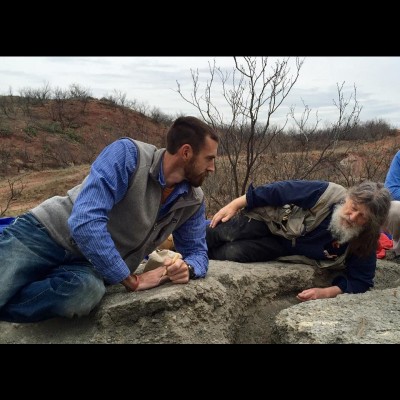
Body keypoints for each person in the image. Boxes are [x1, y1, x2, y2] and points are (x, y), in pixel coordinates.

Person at [0, 116, 218, 322]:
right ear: (186, 152)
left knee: (84, 294)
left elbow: (198, 252)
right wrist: (128, 279)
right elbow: (85, 222)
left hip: (88, 265)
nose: (212, 168)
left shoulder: (193, 200)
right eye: (209, 159)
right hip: (44, 234)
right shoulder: (129, 155)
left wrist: (187, 268)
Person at [206, 180, 391, 302]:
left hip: (281, 248)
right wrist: (235, 204)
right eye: (354, 207)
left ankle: (194, 257)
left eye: (362, 217)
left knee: (232, 253)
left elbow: (362, 281)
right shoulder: (327, 193)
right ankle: (180, 242)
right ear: (348, 197)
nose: (352, 217)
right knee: (223, 232)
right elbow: (280, 191)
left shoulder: (364, 240)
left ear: (371, 224)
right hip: (270, 221)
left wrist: (325, 292)